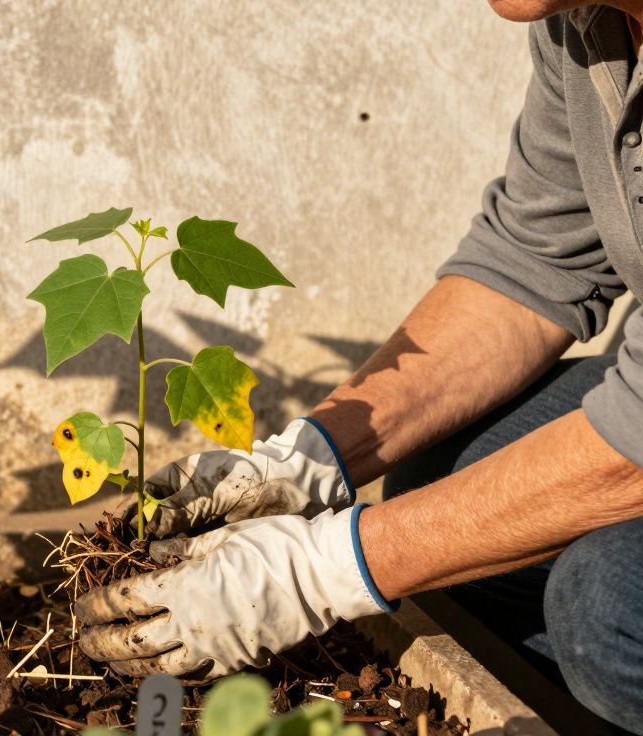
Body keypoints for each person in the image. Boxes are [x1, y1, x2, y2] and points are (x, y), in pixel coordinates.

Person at [73, 2, 643, 732]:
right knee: (438, 476)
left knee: (608, 609)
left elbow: (631, 454)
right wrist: (307, 459)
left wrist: (318, 572)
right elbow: (535, 260)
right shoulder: (587, 23)